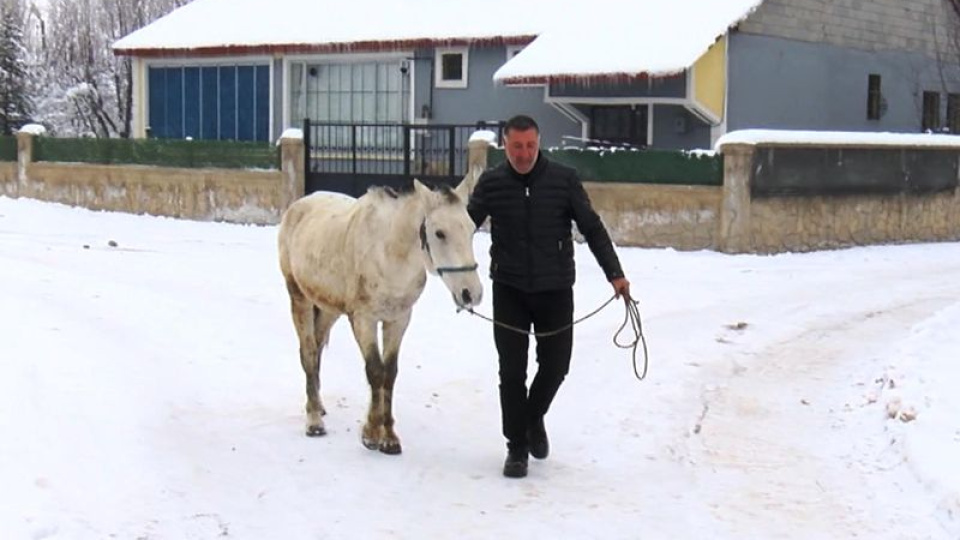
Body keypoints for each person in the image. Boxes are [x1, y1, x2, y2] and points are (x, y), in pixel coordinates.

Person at [467, 114, 631, 478]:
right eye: (516, 147)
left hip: (555, 288)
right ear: (504, 146)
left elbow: (592, 227)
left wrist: (615, 274)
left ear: (539, 143)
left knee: (556, 367)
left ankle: (532, 417)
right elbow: (462, 228)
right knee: (511, 372)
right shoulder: (491, 184)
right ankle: (516, 447)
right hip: (508, 287)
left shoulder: (563, 180)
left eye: (530, 146)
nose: (524, 154)